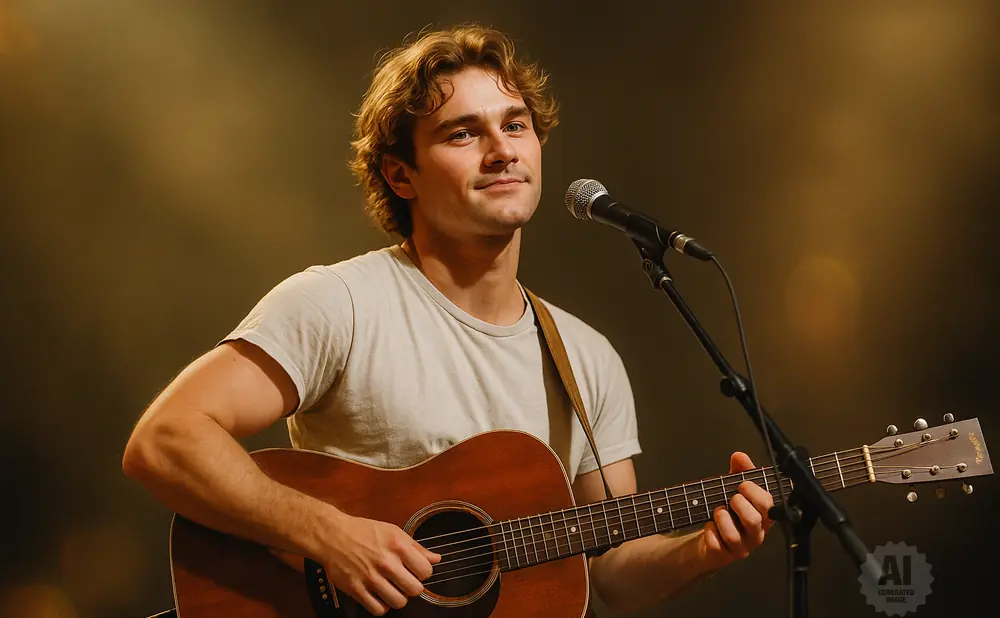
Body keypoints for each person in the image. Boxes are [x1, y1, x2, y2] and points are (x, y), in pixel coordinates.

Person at [123, 23, 775, 616]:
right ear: (400, 175)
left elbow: (609, 568)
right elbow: (166, 441)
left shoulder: (586, 357)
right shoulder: (340, 304)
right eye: (464, 133)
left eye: (516, 126)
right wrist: (332, 536)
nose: (502, 151)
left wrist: (704, 550)